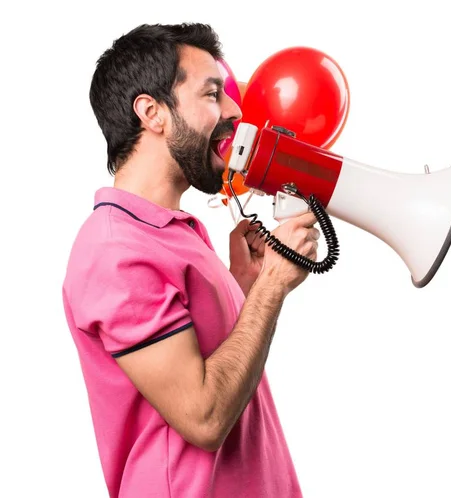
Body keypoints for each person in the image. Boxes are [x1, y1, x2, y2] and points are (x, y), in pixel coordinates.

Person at [62, 22, 320, 498]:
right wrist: (272, 288)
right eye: (212, 94)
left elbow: (210, 365)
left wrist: (244, 289)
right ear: (152, 112)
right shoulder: (116, 251)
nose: (234, 109)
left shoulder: (172, 232)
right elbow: (204, 417)